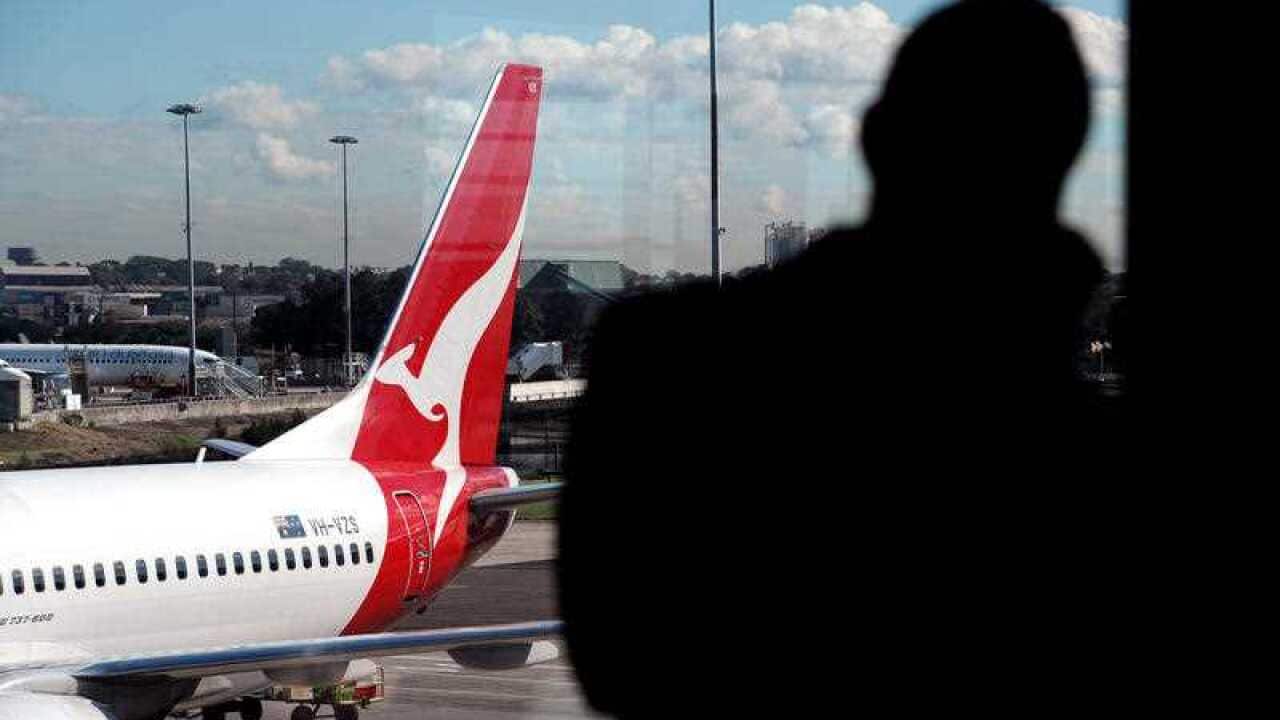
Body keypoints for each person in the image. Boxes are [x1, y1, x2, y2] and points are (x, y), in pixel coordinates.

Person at [561, 1, 1122, 714]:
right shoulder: (1084, 454)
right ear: (1063, 166)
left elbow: (620, 666)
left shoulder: (663, 361)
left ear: (873, 140)